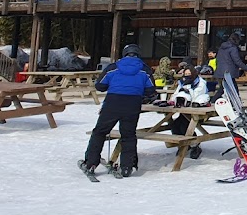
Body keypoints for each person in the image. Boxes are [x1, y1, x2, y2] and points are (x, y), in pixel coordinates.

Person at [81, 44, 156, 178]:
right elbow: (151, 89)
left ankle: (91, 163)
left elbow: (100, 85)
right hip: (133, 104)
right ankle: (127, 167)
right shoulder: (145, 69)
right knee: (128, 135)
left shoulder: (113, 67)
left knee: (100, 132)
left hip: (113, 102)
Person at [168, 62, 209, 159]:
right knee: (174, 124)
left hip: (197, 109)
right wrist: (173, 100)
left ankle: (194, 145)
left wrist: (187, 93)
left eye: (189, 74)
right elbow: (176, 93)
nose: (187, 76)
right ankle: (182, 144)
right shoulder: (182, 82)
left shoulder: (200, 82)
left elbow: (197, 95)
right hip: (183, 110)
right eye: (185, 74)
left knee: (185, 125)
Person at [211, 32, 247, 101]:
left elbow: (218, 59)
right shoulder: (233, 48)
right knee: (230, 87)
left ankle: (236, 100)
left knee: (225, 87)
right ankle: (236, 101)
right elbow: (237, 61)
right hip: (229, 72)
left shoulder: (221, 48)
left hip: (220, 70)